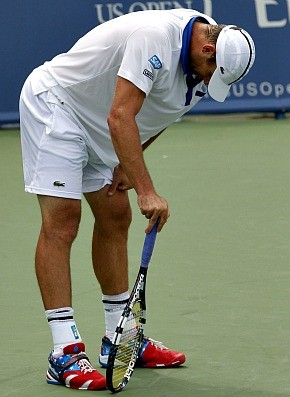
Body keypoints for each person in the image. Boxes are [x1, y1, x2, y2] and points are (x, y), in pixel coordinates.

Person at [19, 8, 255, 391]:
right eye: (212, 72)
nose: (209, 81)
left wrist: (135, 158)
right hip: (58, 106)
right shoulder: (155, 37)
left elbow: (161, 113)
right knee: (63, 221)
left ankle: (119, 340)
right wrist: (147, 190)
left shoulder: (202, 59)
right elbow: (121, 116)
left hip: (103, 121)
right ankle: (63, 352)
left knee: (115, 216)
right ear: (208, 49)